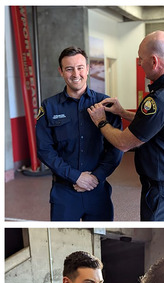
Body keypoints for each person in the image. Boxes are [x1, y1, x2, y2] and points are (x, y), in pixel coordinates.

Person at [87, 31, 164, 221]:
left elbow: (123, 143)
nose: (139, 63)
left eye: (141, 58)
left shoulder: (160, 99)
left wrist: (101, 121)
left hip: (163, 193)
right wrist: (122, 113)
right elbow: (156, 125)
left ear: (154, 61)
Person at [36, 46, 122, 221]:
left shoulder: (105, 103)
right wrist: (75, 176)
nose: (76, 74)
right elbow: (44, 149)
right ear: (61, 71)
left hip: (98, 190)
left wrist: (96, 177)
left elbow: (116, 147)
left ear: (88, 69)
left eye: (80, 67)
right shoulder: (49, 106)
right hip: (64, 192)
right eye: (69, 69)